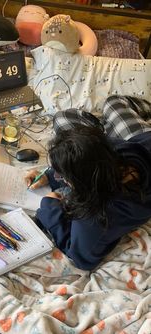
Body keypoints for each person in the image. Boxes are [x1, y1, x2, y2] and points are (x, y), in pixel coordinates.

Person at [25, 95, 151, 270]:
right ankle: (100, 129)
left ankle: (101, 127)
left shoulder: (98, 215)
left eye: (65, 177)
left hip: (136, 145)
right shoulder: (113, 151)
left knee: (99, 108)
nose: (60, 178)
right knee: (69, 115)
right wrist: (51, 174)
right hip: (143, 140)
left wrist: (50, 207)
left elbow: (81, 258)